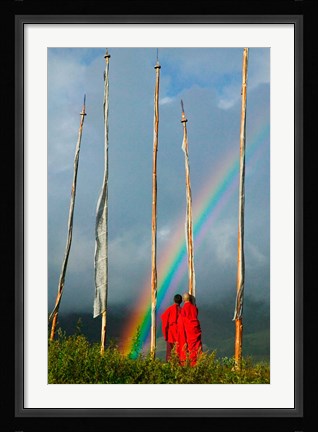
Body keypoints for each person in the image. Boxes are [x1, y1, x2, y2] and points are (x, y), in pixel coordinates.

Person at [177, 292, 202, 366]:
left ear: (183, 300)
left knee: (191, 350)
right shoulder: (194, 308)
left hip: (188, 332)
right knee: (197, 348)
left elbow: (181, 323)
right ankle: (198, 365)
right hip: (196, 331)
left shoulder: (183, 310)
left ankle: (191, 366)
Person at [161, 294, 183, 361]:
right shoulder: (183, 311)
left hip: (170, 335)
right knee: (179, 353)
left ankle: (169, 368)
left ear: (174, 300)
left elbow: (164, 323)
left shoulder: (169, 310)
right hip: (180, 335)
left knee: (169, 355)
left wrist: (165, 335)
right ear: (181, 301)